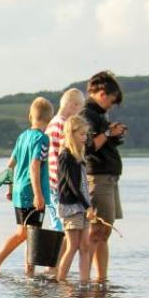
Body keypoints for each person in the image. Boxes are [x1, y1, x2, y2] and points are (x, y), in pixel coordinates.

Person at [0, 97, 55, 278]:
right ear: (50, 119)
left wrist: (10, 188)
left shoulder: (22, 136)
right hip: (31, 191)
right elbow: (34, 166)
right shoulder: (43, 139)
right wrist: (38, 195)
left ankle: (28, 271)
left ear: (30, 116)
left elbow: (10, 165)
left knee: (28, 233)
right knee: (28, 233)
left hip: (18, 190)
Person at [83, 70, 127, 283]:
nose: (111, 105)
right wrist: (109, 133)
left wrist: (113, 134)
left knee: (105, 230)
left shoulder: (99, 115)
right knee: (98, 230)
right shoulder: (87, 115)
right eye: (111, 99)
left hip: (108, 178)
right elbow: (89, 147)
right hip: (98, 177)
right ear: (101, 93)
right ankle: (91, 278)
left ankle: (101, 279)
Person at [54, 115, 95, 285]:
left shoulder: (80, 156)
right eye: (82, 134)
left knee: (85, 245)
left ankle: (84, 281)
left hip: (83, 206)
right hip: (71, 207)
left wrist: (89, 205)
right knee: (73, 245)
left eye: (86, 134)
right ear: (71, 134)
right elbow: (72, 184)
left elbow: (84, 186)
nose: (85, 138)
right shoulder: (66, 156)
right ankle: (61, 279)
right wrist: (87, 206)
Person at [45, 88, 85, 232]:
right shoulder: (64, 125)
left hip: (49, 182)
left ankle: (56, 253)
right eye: (80, 108)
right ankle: (58, 254)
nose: (79, 113)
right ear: (73, 105)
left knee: (57, 222)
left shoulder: (51, 124)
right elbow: (67, 155)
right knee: (62, 227)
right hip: (58, 183)